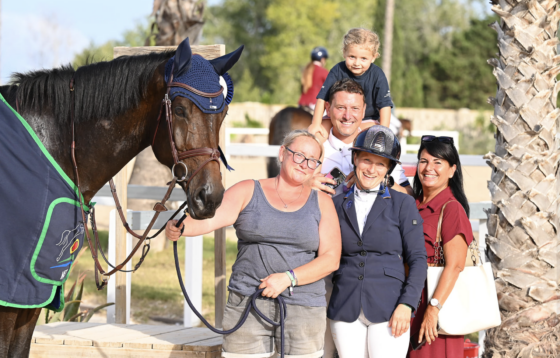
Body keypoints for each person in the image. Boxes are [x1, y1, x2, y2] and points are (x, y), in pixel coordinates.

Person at [165, 130, 341, 358]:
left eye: (312, 160)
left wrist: (288, 278)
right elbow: (211, 220)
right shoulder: (248, 190)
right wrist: (181, 226)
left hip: (303, 306)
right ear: (282, 153)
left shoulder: (323, 203)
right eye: (298, 155)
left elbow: (331, 258)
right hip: (247, 301)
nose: (304, 164)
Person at [327, 126, 427, 357]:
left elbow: (418, 259)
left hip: (390, 306)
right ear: (355, 158)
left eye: (380, 164)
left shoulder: (403, 204)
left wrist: (407, 304)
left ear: (389, 168)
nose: (372, 169)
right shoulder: (336, 203)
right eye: (366, 160)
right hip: (346, 304)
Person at [407, 135, 474, 358]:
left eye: (438, 162)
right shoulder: (413, 204)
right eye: (424, 161)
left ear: (452, 170)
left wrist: (433, 309)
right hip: (408, 302)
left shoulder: (451, 208)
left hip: (434, 304)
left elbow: (455, 266)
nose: (429, 168)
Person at [312, 78, 413, 196]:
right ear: (328, 109)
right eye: (341, 107)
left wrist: (380, 179)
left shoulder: (380, 146)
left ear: (364, 110)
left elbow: (409, 194)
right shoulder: (313, 147)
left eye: (355, 108)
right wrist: (305, 186)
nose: (348, 116)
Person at [308, 28, 393, 142]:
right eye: (352, 57)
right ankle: (316, 158)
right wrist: (315, 124)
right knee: (316, 136)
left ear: (373, 57)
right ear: (344, 53)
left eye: (363, 58)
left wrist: (383, 131)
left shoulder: (378, 75)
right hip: (337, 118)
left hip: (367, 120)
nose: (357, 63)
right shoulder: (337, 70)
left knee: (371, 136)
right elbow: (322, 98)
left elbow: (385, 106)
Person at [298, 46, 329, 113]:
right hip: (315, 103)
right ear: (322, 59)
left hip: (301, 103)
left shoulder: (306, 70)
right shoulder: (323, 71)